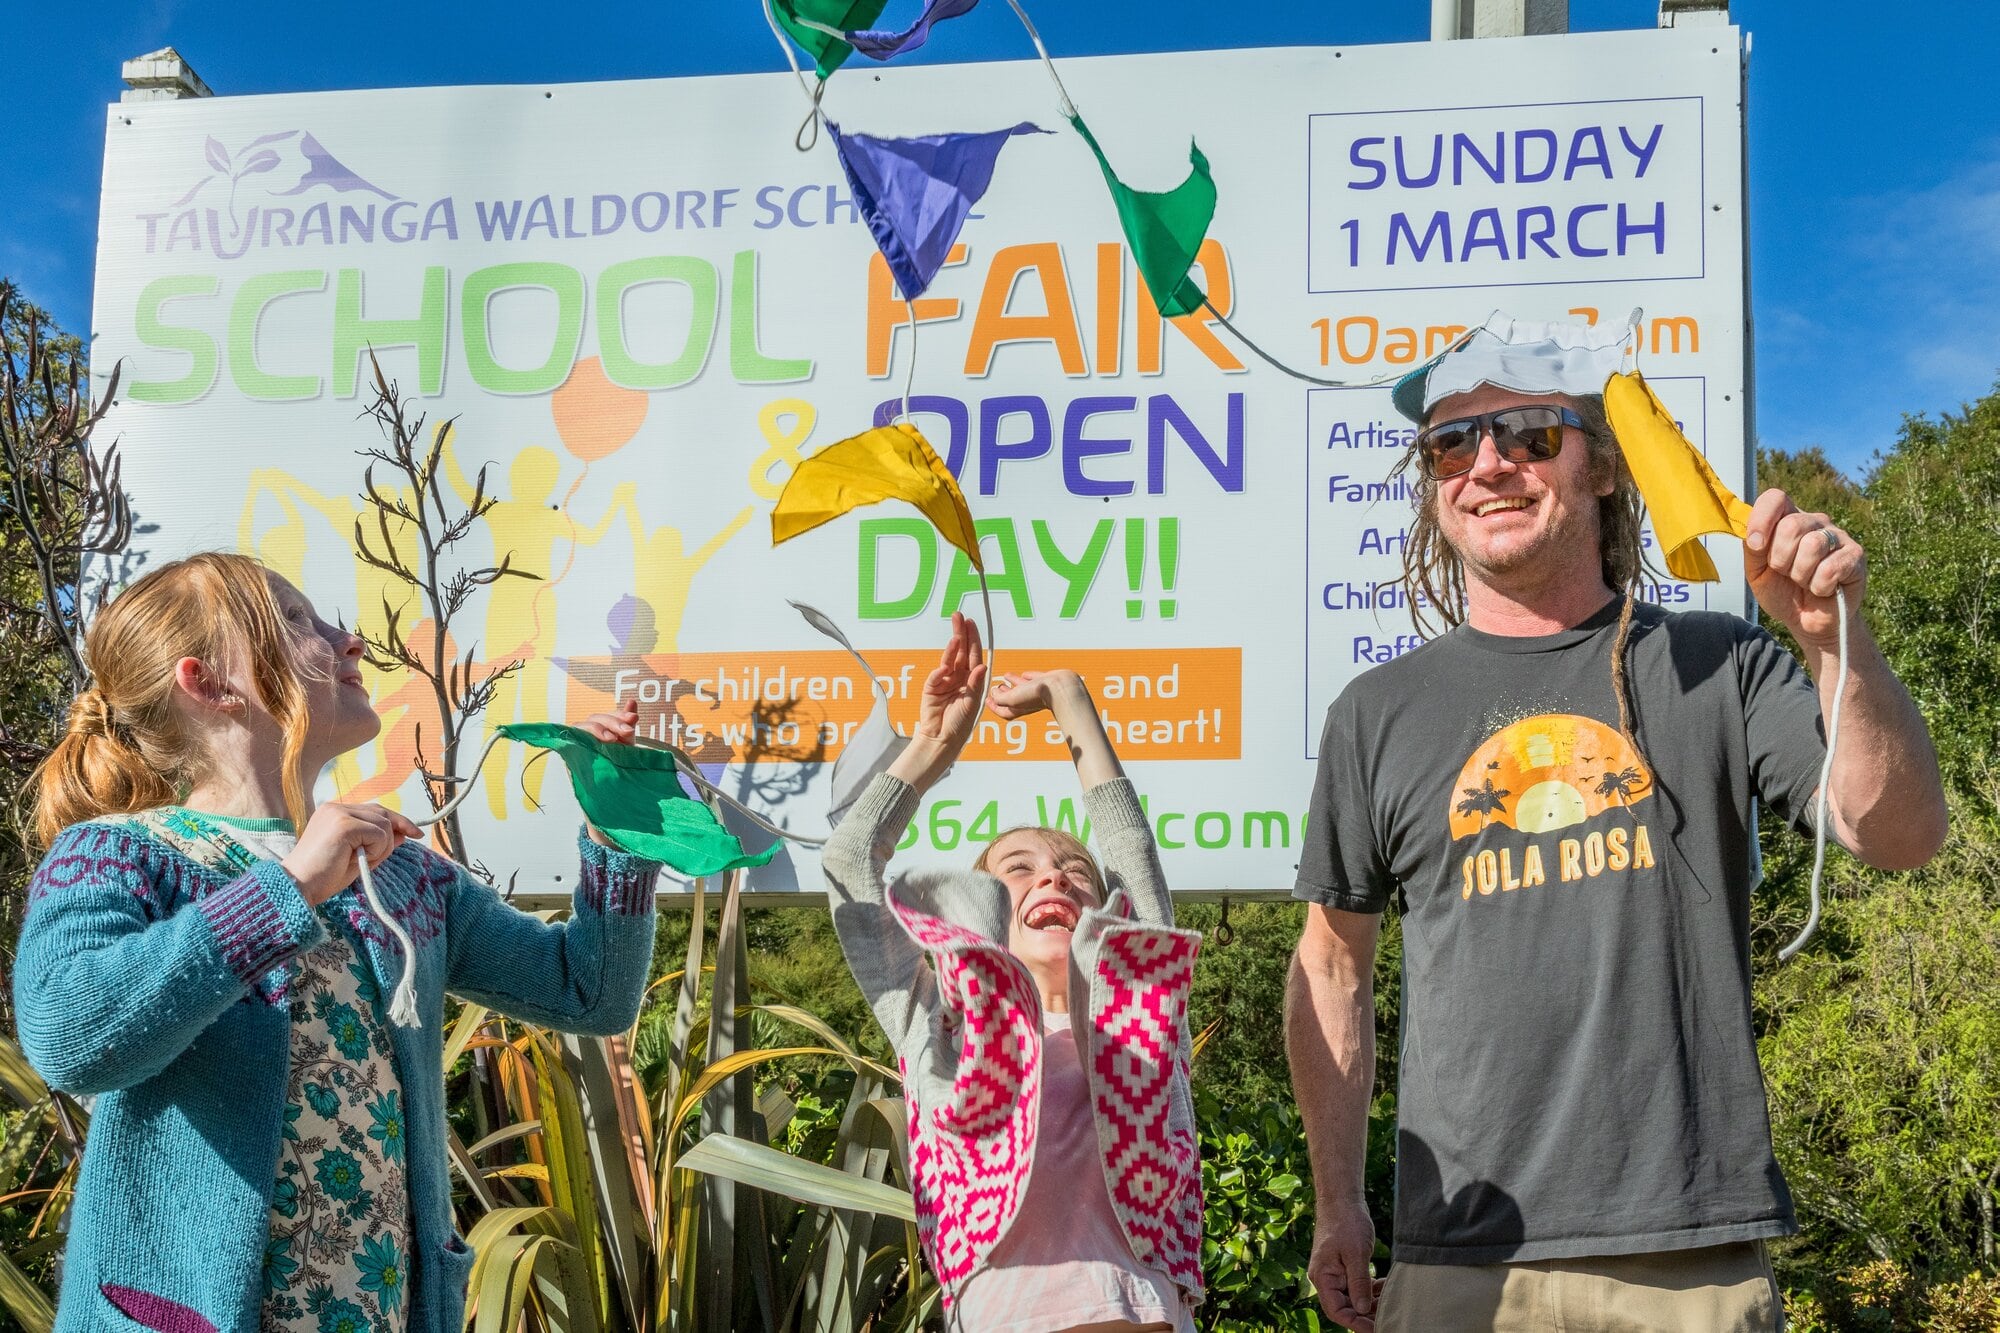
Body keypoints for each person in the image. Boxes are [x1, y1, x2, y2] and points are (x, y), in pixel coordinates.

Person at [1285, 315, 1947, 1333]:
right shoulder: (1374, 715)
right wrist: (1338, 1200)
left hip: (1684, 1259)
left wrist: (1827, 644)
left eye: (1529, 434)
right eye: (1451, 444)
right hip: (1463, 1259)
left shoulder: (1718, 663)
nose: (1488, 464)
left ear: (1597, 466)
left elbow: (1897, 833)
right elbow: (1330, 967)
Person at [13, 552, 661, 1333]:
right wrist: (291, 886)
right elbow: (68, 1035)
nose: (349, 638)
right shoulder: (119, 853)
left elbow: (588, 991)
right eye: (296, 620)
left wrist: (616, 835)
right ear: (209, 683)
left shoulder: (403, 875)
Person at [819, 612, 1205, 1332]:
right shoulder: (941, 1023)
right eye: (1019, 870)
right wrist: (933, 746)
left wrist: (1073, 705)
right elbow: (848, 863)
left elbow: (1132, 853)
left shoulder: (1145, 1010)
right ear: (987, 914)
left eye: (1074, 873)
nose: (1053, 880)